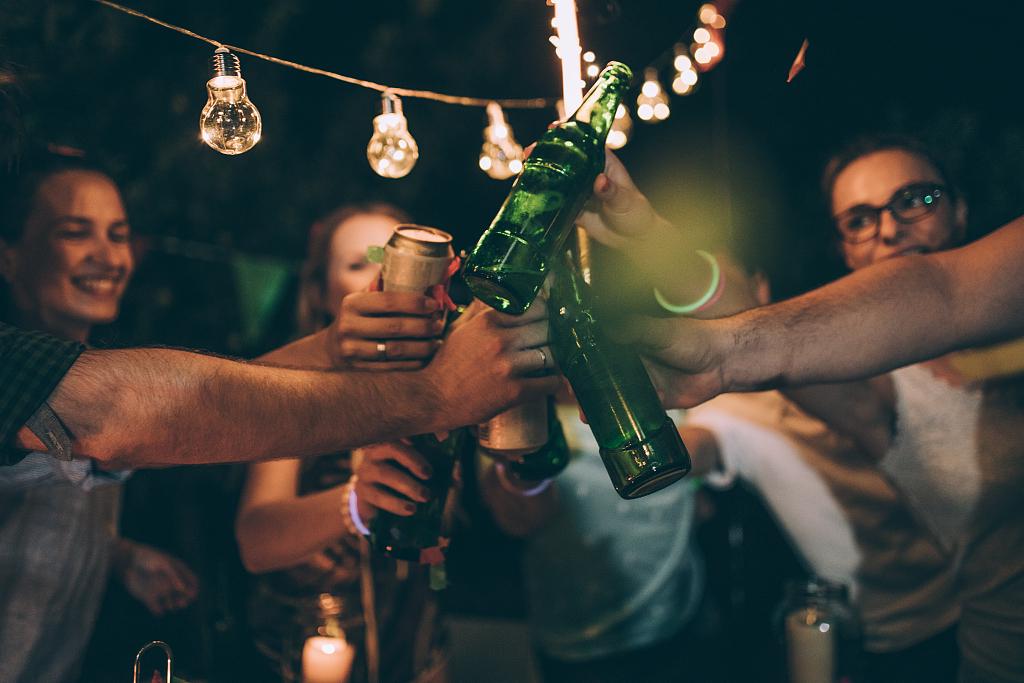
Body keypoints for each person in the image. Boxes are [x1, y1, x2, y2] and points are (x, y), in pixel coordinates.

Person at [236, 204, 456, 683]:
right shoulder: (293, 388)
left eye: (400, 266)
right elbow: (255, 542)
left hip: (420, 662)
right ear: (320, 293)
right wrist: (355, 503)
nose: (383, 281)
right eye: (360, 263)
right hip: (300, 658)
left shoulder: (447, 391)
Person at [0, 151, 198, 682]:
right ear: (9, 257)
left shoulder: (97, 372)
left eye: (118, 234)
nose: (109, 257)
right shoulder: (13, 380)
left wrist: (119, 555)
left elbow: (52, 488)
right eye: (75, 232)